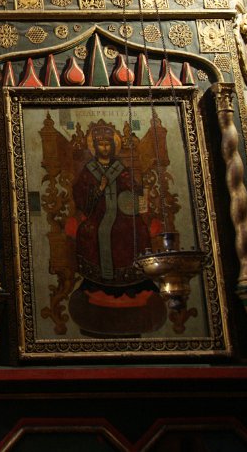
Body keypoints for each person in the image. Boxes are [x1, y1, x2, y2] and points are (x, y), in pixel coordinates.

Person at [66, 121, 165, 335]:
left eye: (107, 144)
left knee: (136, 230)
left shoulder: (122, 170)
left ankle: (134, 282)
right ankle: (99, 284)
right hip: (98, 214)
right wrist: (98, 189)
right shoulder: (88, 171)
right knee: (91, 232)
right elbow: (80, 198)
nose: (104, 148)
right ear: (95, 147)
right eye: (100, 145)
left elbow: (134, 190)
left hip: (123, 214)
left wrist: (138, 197)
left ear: (113, 146)